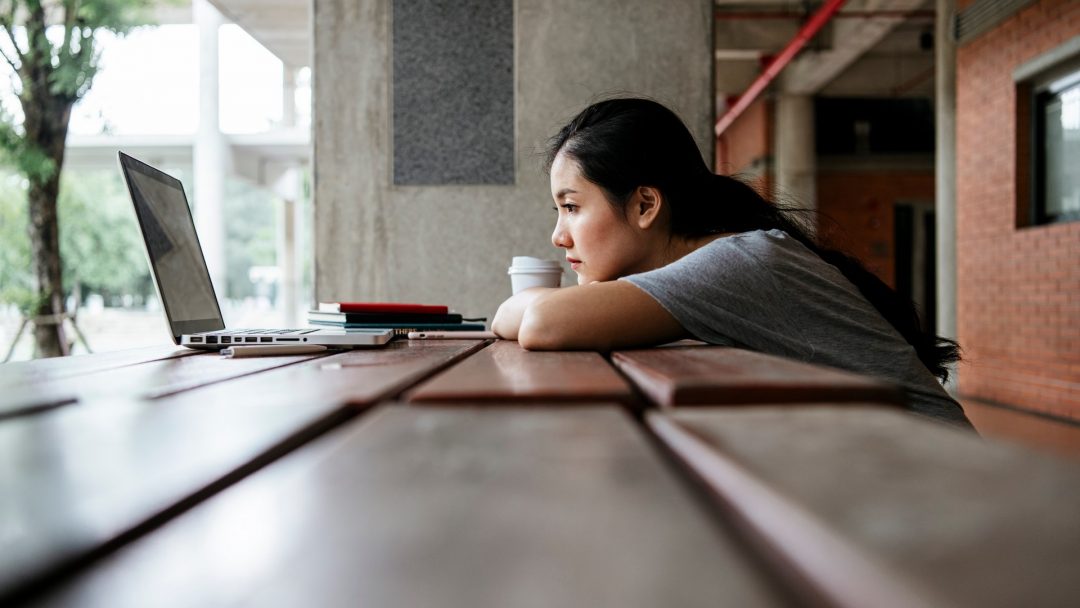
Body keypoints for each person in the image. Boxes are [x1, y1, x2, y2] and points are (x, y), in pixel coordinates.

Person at [491, 97, 971, 428]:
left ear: (644, 206)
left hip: (946, 480)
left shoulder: (734, 263)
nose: (559, 235)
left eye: (571, 207)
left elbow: (540, 323)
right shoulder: (726, 258)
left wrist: (531, 302)